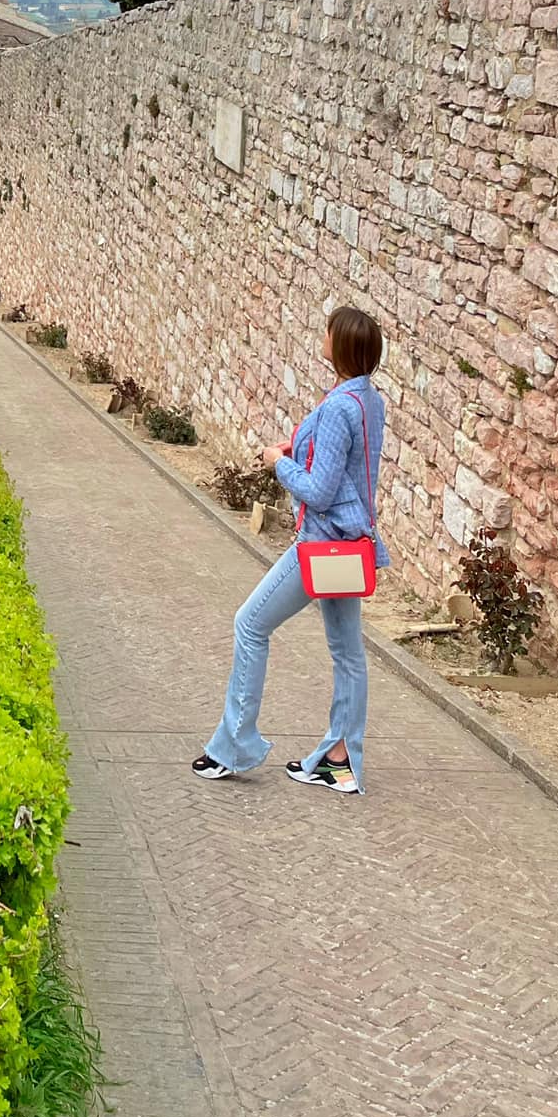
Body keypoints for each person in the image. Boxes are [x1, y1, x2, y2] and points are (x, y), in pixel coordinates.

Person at [193, 307, 387, 796]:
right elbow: (345, 469)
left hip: (322, 546)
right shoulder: (368, 399)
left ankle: (232, 749)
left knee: (250, 624)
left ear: (339, 345)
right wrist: (300, 449)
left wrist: (279, 464)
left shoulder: (340, 406)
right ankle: (340, 761)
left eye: (327, 331)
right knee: (347, 653)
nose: (321, 336)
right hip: (351, 544)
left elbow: (320, 492)